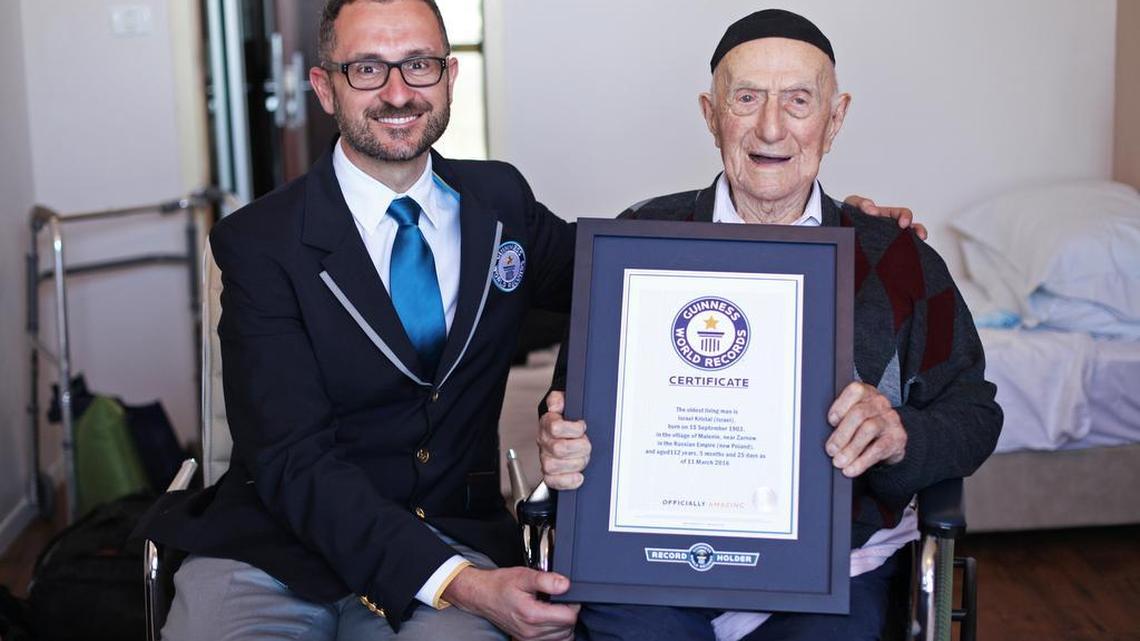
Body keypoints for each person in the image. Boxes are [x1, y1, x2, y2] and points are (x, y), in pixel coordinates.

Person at [137, 2, 929, 639]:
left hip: (454, 533)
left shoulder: (500, 203)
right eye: (367, 68)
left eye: (419, 64)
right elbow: (293, 464)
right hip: (278, 552)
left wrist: (828, 232)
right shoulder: (259, 242)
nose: (398, 91)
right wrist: (468, 584)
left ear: (447, 77)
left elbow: (644, 268)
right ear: (323, 85)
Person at [536, 9, 1002, 641]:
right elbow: (568, 398)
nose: (771, 127)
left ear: (834, 120)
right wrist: (563, 436)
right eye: (747, 98)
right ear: (711, 114)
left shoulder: (896, 259)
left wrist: (900, 438)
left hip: (838, 572)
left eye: (799, 101)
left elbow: (974, 412)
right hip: (653, 569)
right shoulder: (641, 238)